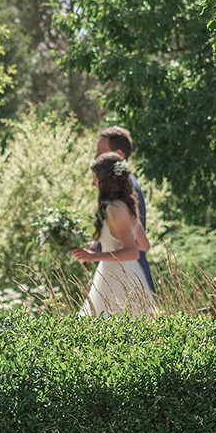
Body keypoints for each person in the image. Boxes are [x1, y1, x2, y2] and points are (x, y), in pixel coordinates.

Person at [73, 152, 156, 316]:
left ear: (106, 180)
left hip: (116, 278)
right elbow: (144, 245)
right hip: (132, 274)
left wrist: (93, 257)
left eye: (95, 178)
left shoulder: (114, 209)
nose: (93, 183)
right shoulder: (128, 205)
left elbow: (132, 252)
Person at [91, 126, 155, 293]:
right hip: (127, 272)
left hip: (121, 277)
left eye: (101, 152)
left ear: (118, 155)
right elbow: (138, 241)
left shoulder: (121, 197)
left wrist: (94, 256)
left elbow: (129, 245)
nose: (96, 157)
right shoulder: (124, 190)